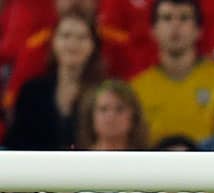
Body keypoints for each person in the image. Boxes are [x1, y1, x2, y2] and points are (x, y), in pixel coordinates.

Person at [130, 0, 214, 147]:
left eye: (184, 18)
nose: (175, 26)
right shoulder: (137, 88)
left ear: (199, 30)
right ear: (153, 30)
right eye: (167, 18)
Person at [5, 7, 102, 151]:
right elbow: (15, 143)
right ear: (53, 41)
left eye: (82, 37)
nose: (73, 43)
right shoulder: (31, 91)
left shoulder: (103, 93)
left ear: (93, 45)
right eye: (66, 36)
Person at [76, 79, 149, 150]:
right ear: (91, 117)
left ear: (134, 116)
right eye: (103, 109)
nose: (111, 116)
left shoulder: (150, 160)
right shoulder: (77, 161)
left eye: (119, 109)